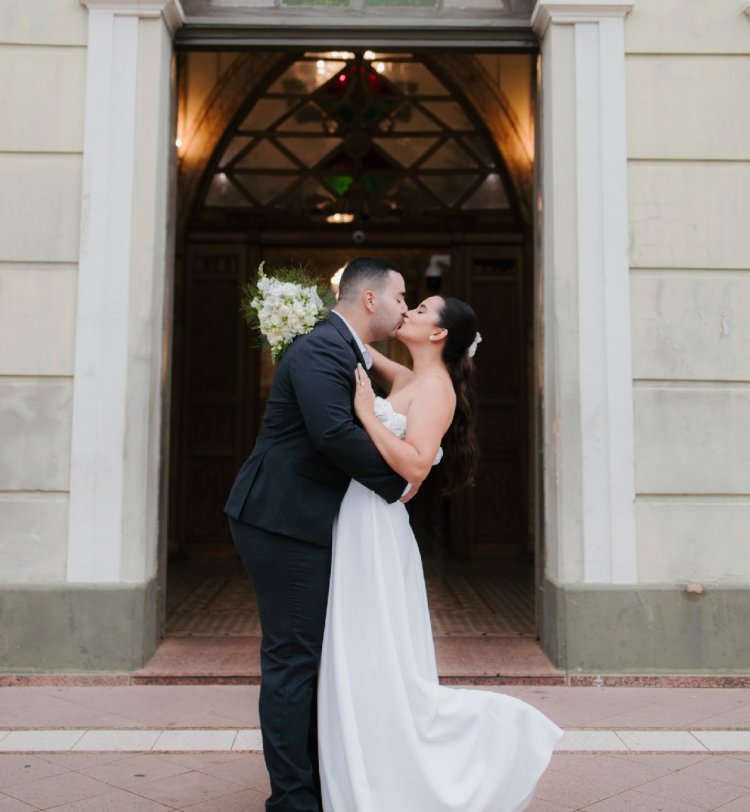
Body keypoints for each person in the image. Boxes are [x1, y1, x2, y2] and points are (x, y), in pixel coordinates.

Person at [317, 295, 563, 811]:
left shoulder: (436, 390)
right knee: (362, 652)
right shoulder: (409, 378)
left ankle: (510, 735)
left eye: (420, 309)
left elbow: (417, 465)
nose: (406, 311)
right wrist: (307, 313)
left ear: (437, 334)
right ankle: (367, 765)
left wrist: (366, 414)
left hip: (377, 527)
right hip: (358, 518)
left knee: (380, 653)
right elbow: (354, 345)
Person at [224, 257, 412, 812]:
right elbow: (331, 434)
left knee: (308, 656)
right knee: (291, 659)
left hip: (304, 519)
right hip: (280, 519)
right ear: (371, 300)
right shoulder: (317, 349)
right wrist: (397, 486)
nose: (405, 306)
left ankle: (316, 783)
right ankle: (291, 801)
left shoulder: (344, 347)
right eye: (401, 296)